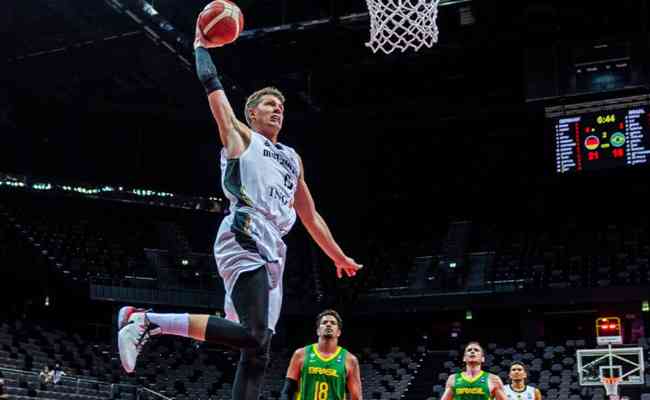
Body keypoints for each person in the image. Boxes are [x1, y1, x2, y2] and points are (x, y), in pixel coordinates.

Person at [116, 11, 363, 400]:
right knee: (253, 334)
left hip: (274, 248)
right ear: (251, 113)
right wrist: (200, 46)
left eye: (280, 106)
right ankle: (147, 321)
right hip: (244, 231)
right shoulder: (239, 136)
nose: (277, 109)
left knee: (258, 350)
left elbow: (309, 215)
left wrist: (339, 255)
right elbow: (210, 84)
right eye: (268, 104)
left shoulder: (292, 158)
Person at [280, 310, 362, 400]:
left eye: (333, 323)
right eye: (324, 322)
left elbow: (356, 397)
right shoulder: (300, 354)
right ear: (318, 331)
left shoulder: (350, 359)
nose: (328, 324)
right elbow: (287, 391)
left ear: (338, 332)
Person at [440, 341, 507, 400]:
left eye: (476, 350)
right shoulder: (453, 378)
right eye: (469, 350)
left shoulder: (494, 379)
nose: (472, 351)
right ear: (464, 358)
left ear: (482, 359)